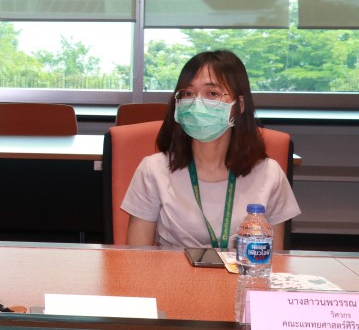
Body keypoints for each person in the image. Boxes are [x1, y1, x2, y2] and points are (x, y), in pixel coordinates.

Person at [122, 50, 300, 249]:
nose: (197, 103)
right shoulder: (153, 170)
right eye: (188, 94)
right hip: (172, 270)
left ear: (240, 105)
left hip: (242, 270)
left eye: (212, 93)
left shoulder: (269, 174)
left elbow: (274, 259)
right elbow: (136, 257)